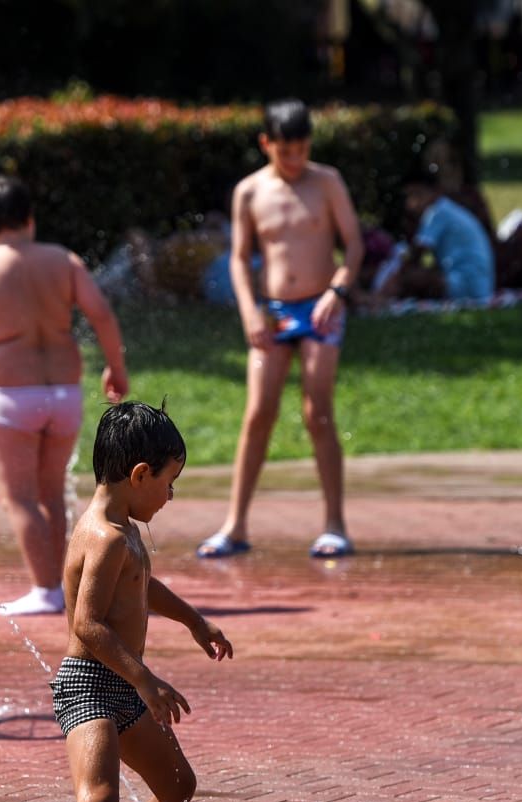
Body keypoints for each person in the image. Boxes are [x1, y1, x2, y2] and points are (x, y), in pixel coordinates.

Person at [30, 401, 233, 802]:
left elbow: (143, 587)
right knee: (98, 800)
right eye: (170, 482)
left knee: (176, 786)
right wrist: (146, 680)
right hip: (89, 685)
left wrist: (195, 620)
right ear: (140, 474)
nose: (171, 495)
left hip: (120, 684)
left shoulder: (126, 530)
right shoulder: (105, 536)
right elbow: (87, 625)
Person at [0, 174, 129, 616]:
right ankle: (66, 588)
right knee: (52, 494)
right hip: (63, 395)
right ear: (30, 218)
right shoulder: (62, 261)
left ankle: (44, 589)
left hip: (12, 397)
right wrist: (115, 367)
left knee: (20, 498)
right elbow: (101, 314)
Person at [196, 99, 363, 561]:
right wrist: (249, 311)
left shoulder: (326, 182)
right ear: (266, 144)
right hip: (274, 310)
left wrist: (338, 291)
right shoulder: (250, 192)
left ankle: (335, 524)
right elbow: (237, 256)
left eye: (302, 149)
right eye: (285, 150)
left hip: (320, 309)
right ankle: (235, 525)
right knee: (257, 414)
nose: (294, 160)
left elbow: (354, 244)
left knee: (317, 412)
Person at [369, 172, 495, 305]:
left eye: (417, 195)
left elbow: (416, 255)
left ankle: (380, 300)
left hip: (467, 286)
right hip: (479, 285)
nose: (411, 204)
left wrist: (394, 278)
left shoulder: (436, 213)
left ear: (435, 192)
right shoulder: (446, 209)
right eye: (409, 197)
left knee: (409, 276)